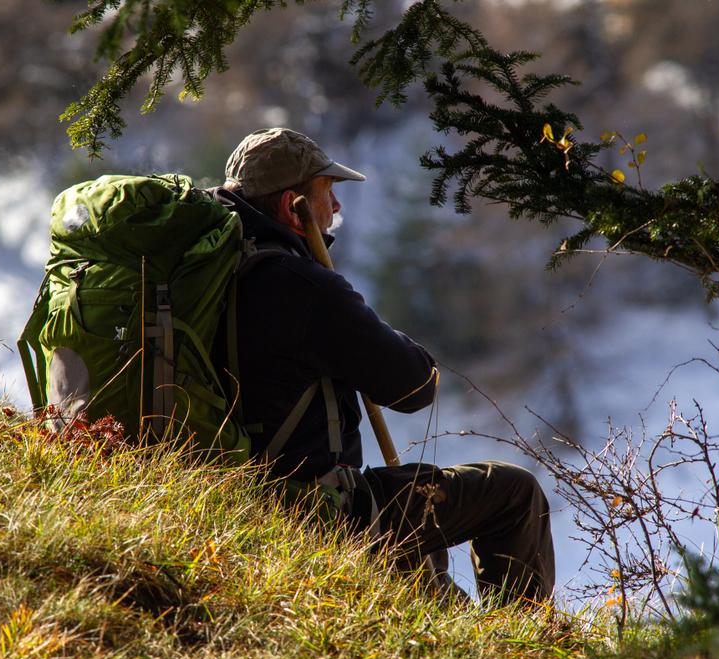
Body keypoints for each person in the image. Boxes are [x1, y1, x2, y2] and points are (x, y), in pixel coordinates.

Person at [211, 128, 555, 605]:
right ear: (293, 206)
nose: (335, 208)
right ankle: (529, 636)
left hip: (230, 501)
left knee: (432, 575)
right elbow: (415, 387)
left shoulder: (212, 272)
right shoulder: (302, 286)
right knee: (513, 492)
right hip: (317, 513)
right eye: (327, 194)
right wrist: (361, 321)